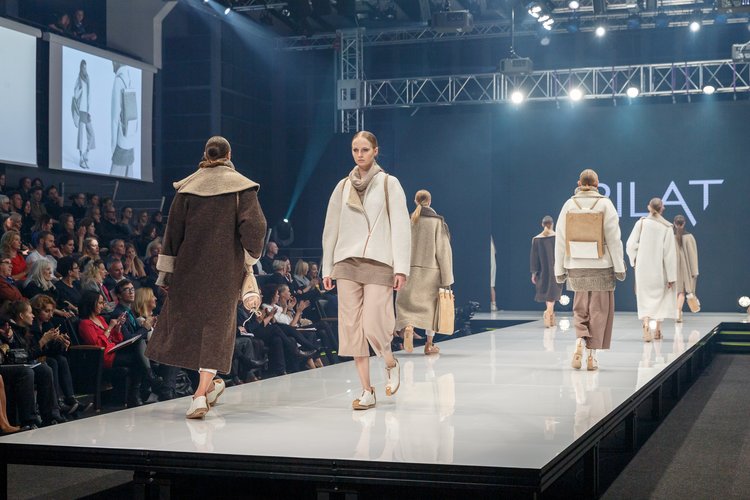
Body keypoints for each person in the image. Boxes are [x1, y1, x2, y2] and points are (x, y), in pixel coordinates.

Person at [145, 136, 266, 419]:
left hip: (188, 268)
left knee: (188, 328)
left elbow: (172, 234)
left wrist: (166, 273)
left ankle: (206, 388)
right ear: (229, 154)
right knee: (216, 329)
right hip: (224, 269)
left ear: (205, 155)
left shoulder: (188, 189)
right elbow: (256, 227)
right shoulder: (241, 188)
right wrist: (250, 256)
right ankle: (200, 394)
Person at [321, 130, 411, 410]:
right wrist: (327, 267)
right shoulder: (342, 187)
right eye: (355, 150)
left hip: (379, 261)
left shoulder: (388, 183)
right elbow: (331, 228)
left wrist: (401, 268)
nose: (359, 155)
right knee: (351, 330)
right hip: (346, 262)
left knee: (374, 323)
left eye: (364, 150)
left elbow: (401, 227)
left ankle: (390, 362)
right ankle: (366, 390)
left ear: (375, 151)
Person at [555, 169, 626, 371]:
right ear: (597, 183)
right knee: (599, 311)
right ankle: (592, 356)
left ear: (579, 183)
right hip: (601, 264)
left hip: (576, 264)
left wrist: (559, 269)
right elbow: (614, 239)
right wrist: (619, 267)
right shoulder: (605, 204)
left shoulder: (569, 205)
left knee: (580, 307)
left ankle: (579, 339)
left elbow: (560, 239)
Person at [395, 190, 453, 355]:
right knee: (431, 310)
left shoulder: (408, 221)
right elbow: (443, 251)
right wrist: (447, 278)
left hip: (408, 271)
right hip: (430, 273)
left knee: (407, 307)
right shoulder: (437, 222)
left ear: (415, 201)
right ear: (430, 201)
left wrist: (397, 270)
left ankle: (408, 327)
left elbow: (399, 247)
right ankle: (429, 344)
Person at [2, 300, 67, 425]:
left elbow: (35, 353)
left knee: (45, 369)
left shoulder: (25, 330)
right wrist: (42, 341)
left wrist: (57, 343)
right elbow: (22, 355)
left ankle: (51, 415)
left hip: (24, 364)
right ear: (21, 316)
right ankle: (29, 419)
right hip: (11, 366)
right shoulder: (9, 330)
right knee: (29, 372)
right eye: (30, 313)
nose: (33, 316)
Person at [77, 290, 145, 407]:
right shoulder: (85, 324)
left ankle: (136, 393)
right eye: (100, 303)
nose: (103, 305)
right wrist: (110, 327)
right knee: (137, 359)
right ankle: (138, 391)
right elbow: (97, 344)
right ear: (91, 304)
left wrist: (117, 327)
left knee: (139, 346)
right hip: (103, 356)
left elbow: (114, 339)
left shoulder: (101, 319)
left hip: (113, 350)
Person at [626, 198, 677, 341]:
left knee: (644, 298)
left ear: (649, 207)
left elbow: (630, 245)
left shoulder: (641, 223)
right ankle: (658, 331)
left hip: (642, 268)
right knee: (661, 299)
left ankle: (646, 324)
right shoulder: (667, 227)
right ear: (662, 208)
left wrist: (634, 261)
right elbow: (669, 254)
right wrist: (671, 277)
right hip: (659, 269)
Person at [530, 215, 563, 327]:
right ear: (552, 224)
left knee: (548, 293)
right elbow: (562, 254)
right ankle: (549, 313)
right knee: (552, 294)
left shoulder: (536, 239)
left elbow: (534, 258)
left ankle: (550, 316)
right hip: (556, 270)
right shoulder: (557, 238)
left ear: (542, 224)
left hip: (542, 271)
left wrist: (534, 273)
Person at [110, 62, 137, 178]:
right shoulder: (129, 77)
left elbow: (115, 117)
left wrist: (113, 145)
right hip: (130, 136)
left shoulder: (118, 81)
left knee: (114, 179)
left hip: (121, 139)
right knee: (129, 177)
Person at [673, 215, 699, 323]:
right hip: (685, 269)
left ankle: (677, 312)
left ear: (674, 223)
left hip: (672, 269)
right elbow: (692, 256)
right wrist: (694, 271)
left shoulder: (670, 237)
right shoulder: (689, 237)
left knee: (676, 292)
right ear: (684, 223)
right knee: (682, 292)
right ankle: (678, 312)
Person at [72, 59, 95, 169]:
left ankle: (86, 154)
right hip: (80, 110)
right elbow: (75, 95)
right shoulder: (78, 79)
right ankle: (81, 158)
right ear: (80, 67)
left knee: (92, 134)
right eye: (83, 67)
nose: (84, 69)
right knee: (81, 135)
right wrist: (80, 90)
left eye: (86, 67)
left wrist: (89, 110)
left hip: (86, 111)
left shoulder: (88, 78)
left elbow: (89, 96)